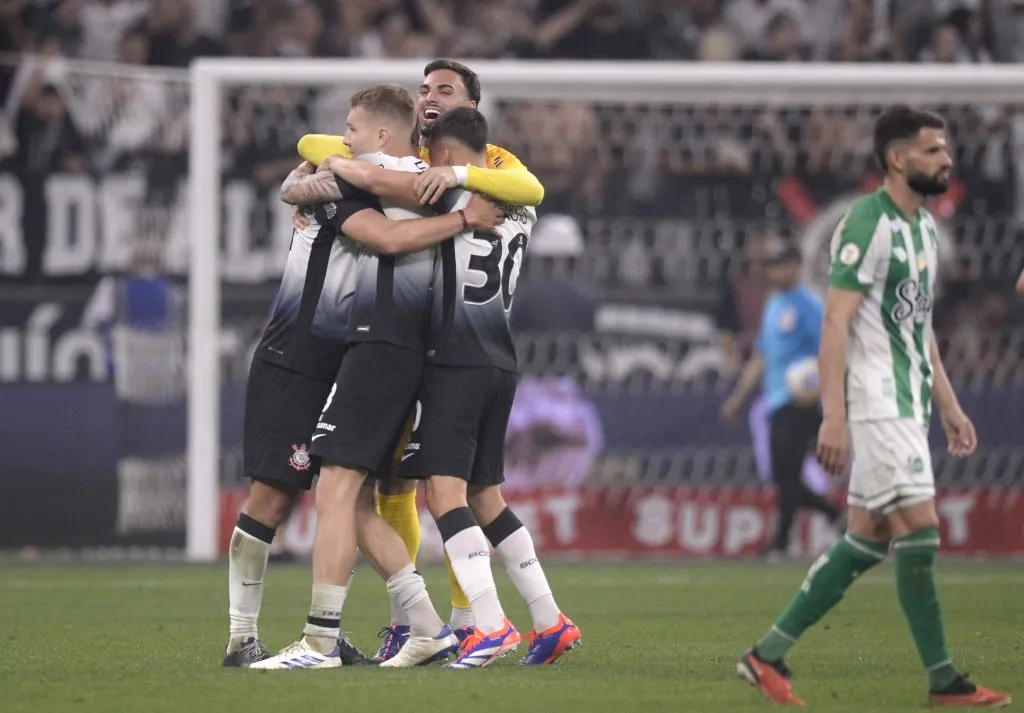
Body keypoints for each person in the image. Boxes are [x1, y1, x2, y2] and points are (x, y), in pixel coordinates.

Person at [737, 106, 1011, 708]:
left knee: (867, 538)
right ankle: (944, 680)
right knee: (921, 532)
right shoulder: (867, 223)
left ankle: (767, 654)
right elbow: (835, 323)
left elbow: (921, 327)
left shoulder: (923, 230)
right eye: (934, 150)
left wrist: (950, 404)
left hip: (910, 400)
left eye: (946, 150)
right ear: (898, 158)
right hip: (877, 400)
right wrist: (834, 414)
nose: (946, 160)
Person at [237, 84, 503, 671]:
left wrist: (326, 169)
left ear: (381, 135)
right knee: (354, 496)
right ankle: (430, 627)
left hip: (382, 346)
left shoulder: (369, 171)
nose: (346, 136)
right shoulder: (448, 177)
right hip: (403, 349)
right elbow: (300, 182)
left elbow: (315, 195)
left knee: (337, 490)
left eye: (354, 127)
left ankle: (320, 642)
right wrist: (465, 211)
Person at [295, 59, 544, 659]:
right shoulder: (412, 158)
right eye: (425, 89)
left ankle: (469, 619)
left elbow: (528, 189)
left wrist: (454, 173)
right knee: (397, 488)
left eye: (445, 91)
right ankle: (421, 621)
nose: (430, 97)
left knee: (446, 488)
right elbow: (317, 144)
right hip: (447, 347)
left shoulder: (486, 167)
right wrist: (329, 166)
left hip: (438, 347)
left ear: (472, 106)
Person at [376, 108, 581, 668]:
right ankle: (550, 620)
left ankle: (490, 626)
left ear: (443, 154)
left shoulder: (444, 197)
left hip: (455, 361)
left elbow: (376, 178)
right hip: (499, 361)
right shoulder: (513, 198)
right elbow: (525, 184)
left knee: (444, 494)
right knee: (487, 497)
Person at [721, 238, 844, 558]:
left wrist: (818, 389)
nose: (774, 272)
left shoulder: (809, 305)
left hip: (799, 402)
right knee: (784, 475)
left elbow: (829, 350)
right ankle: (834, 518)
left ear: (795, 266)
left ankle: (781, 542)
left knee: (786, 473)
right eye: (771, 266)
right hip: (775, 400)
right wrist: (739, 397)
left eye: (779, 265)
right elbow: (761, 356)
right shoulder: (774, 305)